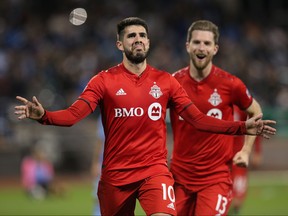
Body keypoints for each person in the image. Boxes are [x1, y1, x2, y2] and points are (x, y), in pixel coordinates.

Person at [14, 17, 276, 215]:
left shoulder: (166, 82)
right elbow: (73, 115)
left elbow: (198, 119)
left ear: (148, 42)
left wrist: (242, 127)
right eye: (131, 36)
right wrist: (44, 116)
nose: (138, 39)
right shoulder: (103, 81)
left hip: (155, 172)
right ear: (120, 43)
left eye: (142, 35)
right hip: (115, 176)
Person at [169, 20, 269, 215]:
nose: (201, 47)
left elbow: (255, 111)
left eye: (207, 44)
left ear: (215, 49)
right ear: (187, 46)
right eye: (196, 42)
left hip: (215, 179)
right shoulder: (172, 83)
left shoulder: (230, 84)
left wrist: (246, 150)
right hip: (179, 179)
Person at [230, 106, 262, 215]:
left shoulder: (241, 104)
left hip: (238, 158)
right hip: (219, 157)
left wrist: (256, 151)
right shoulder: (218, 102)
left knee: (237, 202)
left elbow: (254, 126)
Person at [91, 116, 105, 216]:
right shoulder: (104, 115)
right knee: (98, 196)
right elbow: (100, 140)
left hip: (116, 162)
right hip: (103, 162)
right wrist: (96, 163)